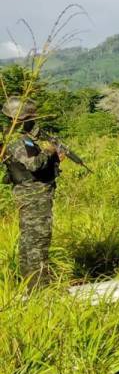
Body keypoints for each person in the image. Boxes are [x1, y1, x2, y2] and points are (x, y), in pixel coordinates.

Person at [3, 97, 62, 287]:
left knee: (29, 240)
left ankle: (29, 284)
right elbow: (34, 165)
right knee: (38, 241)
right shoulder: (19, 141)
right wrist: (49, 151)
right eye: (30, 116)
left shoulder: (13, 137)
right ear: (20, 119)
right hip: (33, 195)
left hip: (28, 193)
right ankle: (41, 288)